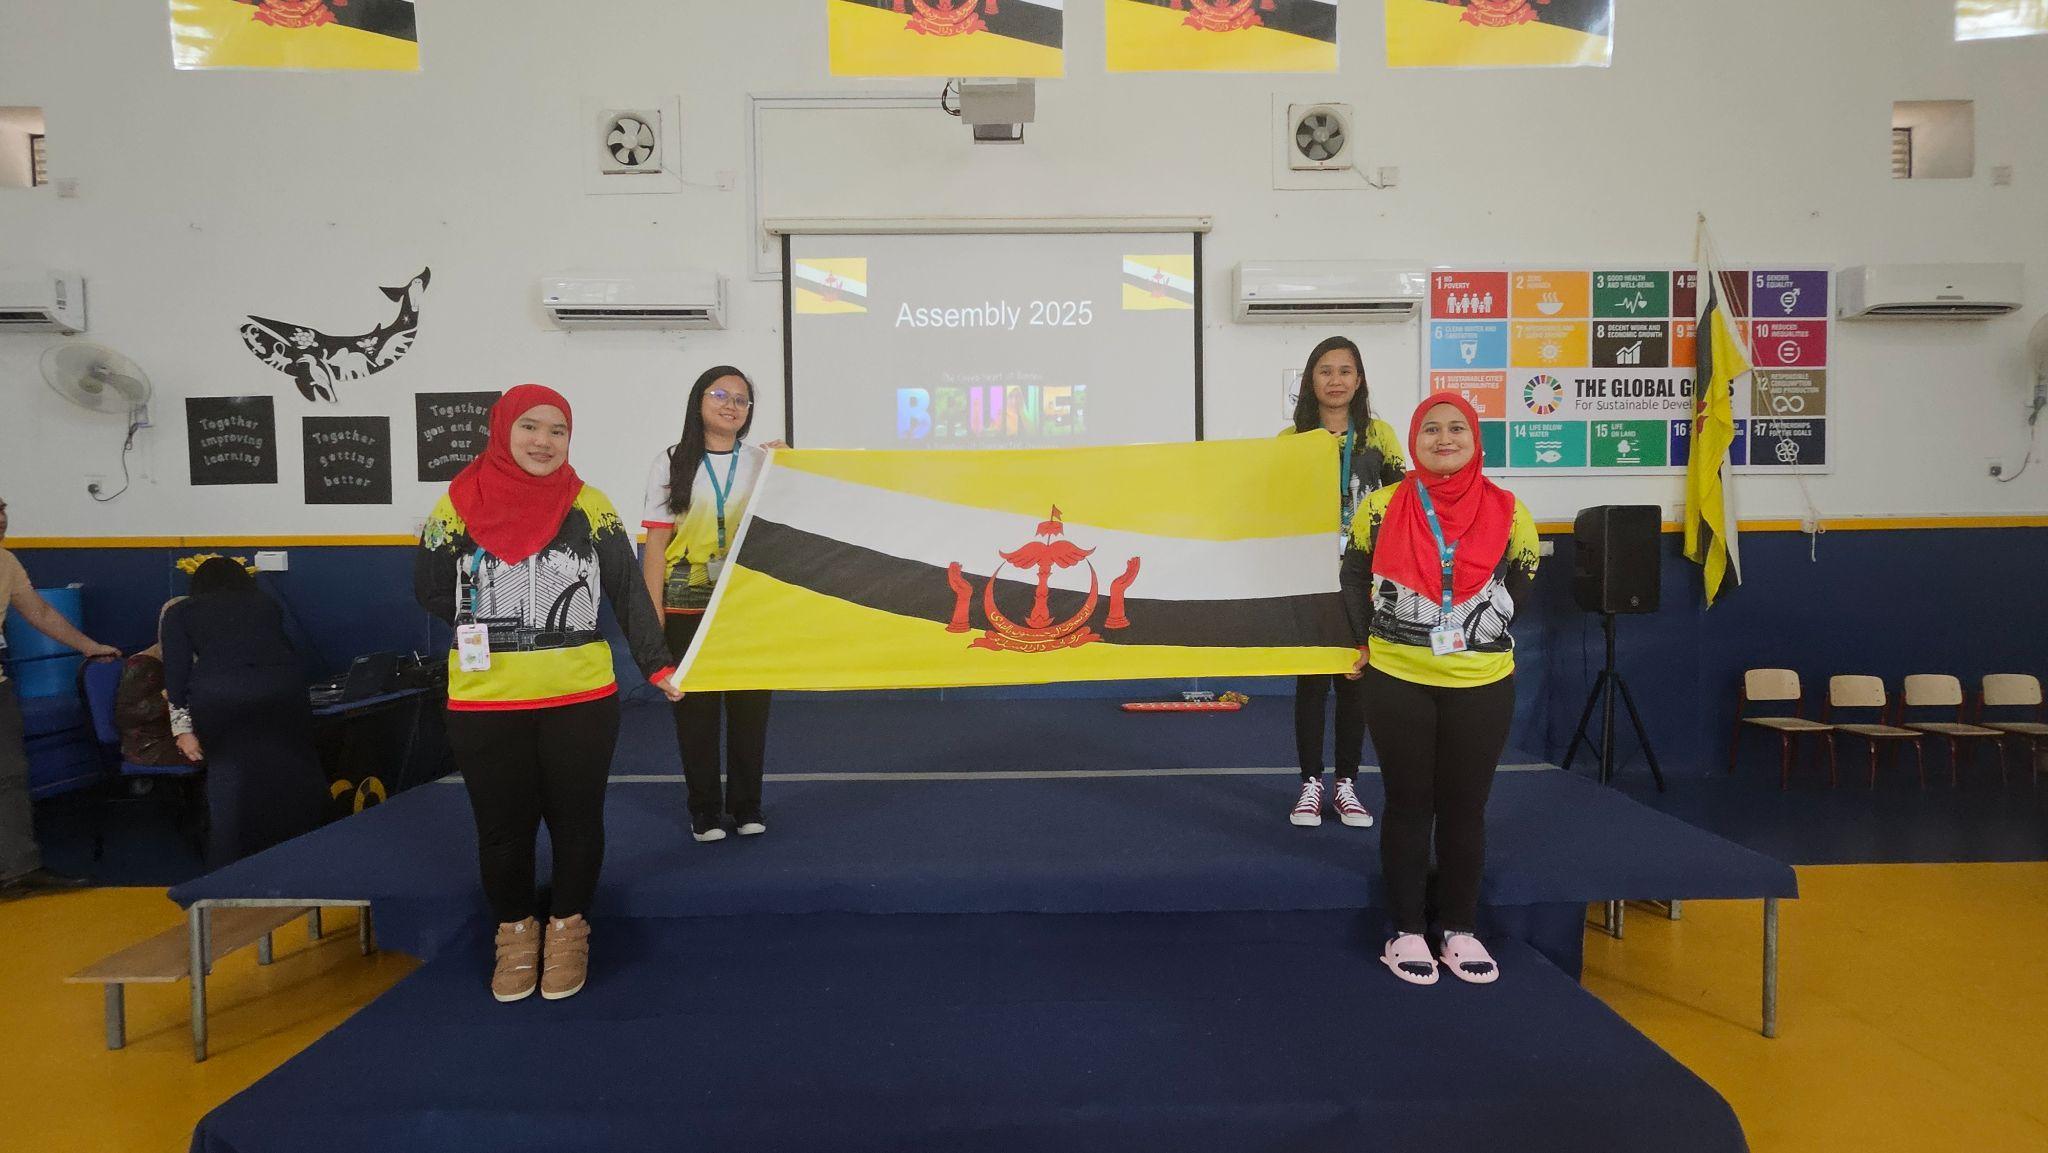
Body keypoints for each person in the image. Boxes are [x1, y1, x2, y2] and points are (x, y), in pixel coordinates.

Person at [416, 384, 681, 1004]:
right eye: (530, 427)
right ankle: (514, 930)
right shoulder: (456, 505)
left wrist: (657, 664)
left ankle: (567, 928)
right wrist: (488, 626)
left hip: (579, 699)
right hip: (485, 702)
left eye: (557, 430)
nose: (543, 441)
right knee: (501, 827)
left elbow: (627, 588)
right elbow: (427, 586)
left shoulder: (591, 505)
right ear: (503, 430)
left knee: (576, 820)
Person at [1344, 394, 1538, 985]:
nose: (1444, 438)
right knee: (1408, 803)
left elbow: (1524, 575)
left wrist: (1484, 631)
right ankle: (1406, 930)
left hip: (1481, 684)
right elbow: (1353, 574)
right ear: (1414, 439)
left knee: (1464, 807)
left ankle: (1459, 929)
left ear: (1475, 440)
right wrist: (1362, 639)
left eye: (1457, 428)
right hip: (1397, 679)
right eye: (1431, 429)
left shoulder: (1510, 510)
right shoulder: (1379, 507)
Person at [639, 367, 783, 843]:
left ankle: (746, 806)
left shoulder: (762, 462)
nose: (731, 405)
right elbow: (655, 546)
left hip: (747, 605)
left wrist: (790, 468)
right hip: (686, 604)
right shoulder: (670, 462)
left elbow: (788, 519)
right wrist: (653, 616)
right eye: (720, 394)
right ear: (698, 401)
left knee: (750, 712)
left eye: (741, 399)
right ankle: (703, 810)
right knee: (695, 715)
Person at [1280, 337, 1407, 829]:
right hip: (1310, 577)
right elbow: (1273, 508)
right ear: (1311, 380)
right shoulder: (1291, 440)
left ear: (1359, 380)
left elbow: (1401, 506)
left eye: (1345, 370)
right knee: (1311, 682)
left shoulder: (1380, 436)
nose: (1335, 380)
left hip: (1363, 578)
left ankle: (1347, 784)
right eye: (1325, 371)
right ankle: (1310, 783)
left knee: (1355, 681)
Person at [162, 559, 328, 868]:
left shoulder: (180, 612)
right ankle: (306, 853)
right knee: (291, 774)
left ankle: (228, 866)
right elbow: (288, 650)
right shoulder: (266, 604)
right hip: (283, 692)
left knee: (229, 779)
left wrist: (182, 730)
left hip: (220, 697)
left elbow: (176, 674)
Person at [0, 495, 120, 896]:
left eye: (3, 513)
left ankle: (17, 869)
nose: (1, 521)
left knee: (10, 776)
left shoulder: (6, 563)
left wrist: (89, 646)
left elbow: (41, 613)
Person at [112, 598, 190, 768]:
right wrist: (166, 696)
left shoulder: (192, 657)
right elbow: (126, 715)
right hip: (152, 746)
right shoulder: (142, 664)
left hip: (186, 735)